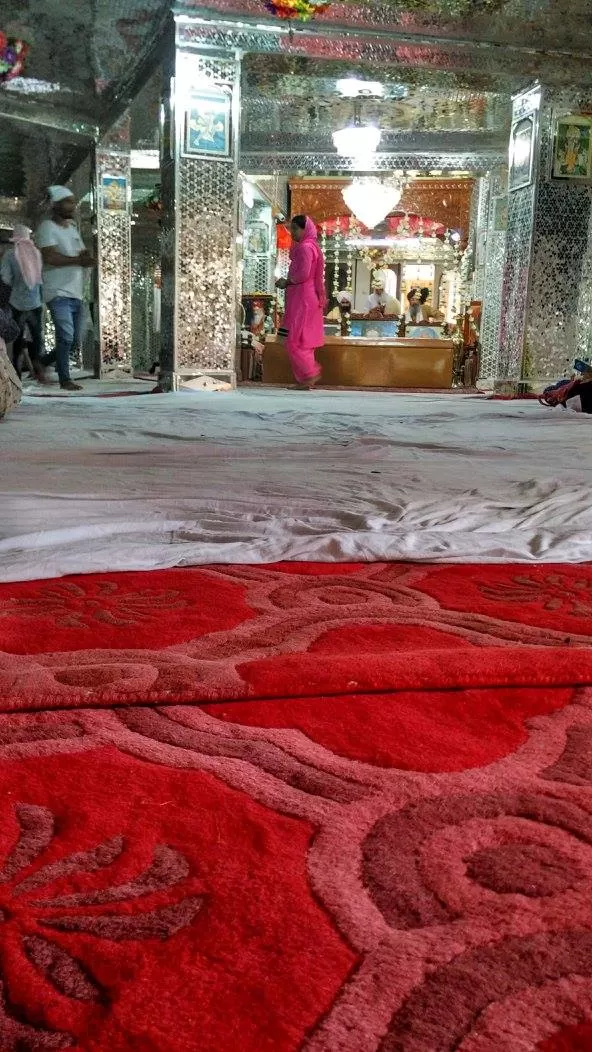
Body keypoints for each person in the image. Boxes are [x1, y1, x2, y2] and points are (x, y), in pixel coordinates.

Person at [35, 185, 95, 391]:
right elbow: (50, 257)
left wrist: (86, 258)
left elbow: (79, 253)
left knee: (75, 338)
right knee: (65, 336)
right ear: (56, 205)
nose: (72, 205)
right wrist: (78, 260)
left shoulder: (71, 228)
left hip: (76, 291)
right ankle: (65, 379)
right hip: (57, 291)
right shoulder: (46, 228)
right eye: (68, 201)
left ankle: (42, 362)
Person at [275, 215, 325, 389]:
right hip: (305, 297)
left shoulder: (304, 248)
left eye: (295, 229)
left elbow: (302, 275)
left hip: (303, 298)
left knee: (293, 339)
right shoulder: (311, 247)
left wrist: (285, 281)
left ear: (306, 229)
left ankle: (309, 374)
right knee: (303, 340)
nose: (292, 233)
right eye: (291, 229)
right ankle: (305, 379)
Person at [0, 225, 46, 383]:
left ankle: (16, 376)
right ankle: (39, 369)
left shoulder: (10, 254)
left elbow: (5, 278)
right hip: (35, 303)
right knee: (37, 337)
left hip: (16, 303)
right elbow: (41, 279)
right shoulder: (36, 253)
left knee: (17, 341)